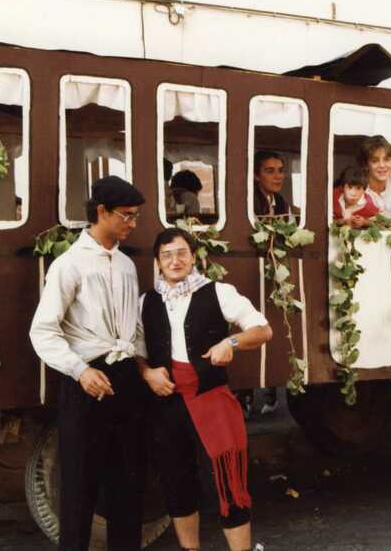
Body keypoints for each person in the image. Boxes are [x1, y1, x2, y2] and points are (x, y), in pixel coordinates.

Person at [136, 227, 272, 551]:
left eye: (182, 252)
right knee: (176, 482)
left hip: (212, 399)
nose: (175, 260)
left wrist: (232, 341)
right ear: (157, 262)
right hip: (168, 405)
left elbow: (263, 330)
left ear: (193, 257)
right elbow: (138, 353)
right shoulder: (146, 302)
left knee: (228, 484)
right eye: (167, 255)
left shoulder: (219, 292)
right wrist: (147, 373)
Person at [30, 176, 147, 551]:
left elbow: (136, 325)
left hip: (126, 381)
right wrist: (80, 370)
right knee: (80, 486)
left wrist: (142, 366)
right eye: (127, 216)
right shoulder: (69, 265)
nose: (133, 224)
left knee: (128, 485)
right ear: (101, 212)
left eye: (135, 216)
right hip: (86, 382)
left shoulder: (127, 265)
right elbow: (43, 332)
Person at [250, 150, 290, 415]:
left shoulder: (280, 200)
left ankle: (269, 393)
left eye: (280, 170)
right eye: (269, 170)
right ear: (256, 175)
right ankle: (253, 397)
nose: (277, 176)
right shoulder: (251, 200)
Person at [357, 135, 391, 228]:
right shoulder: (357, 188)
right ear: (366, 164)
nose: (382, 165)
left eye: (386, 159)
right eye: (375, 161)